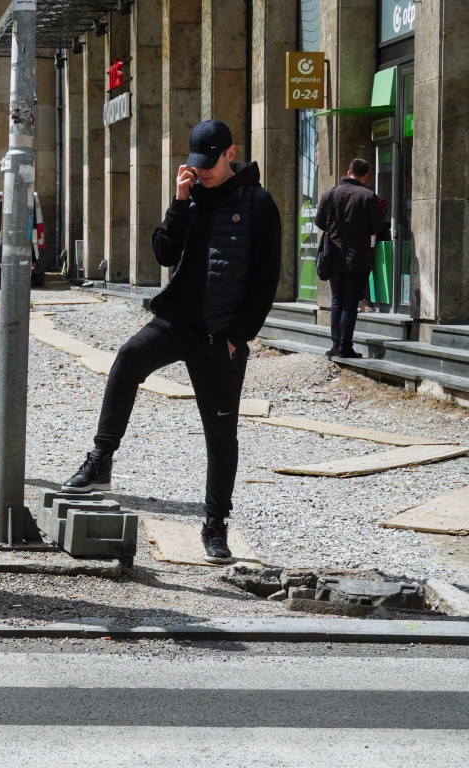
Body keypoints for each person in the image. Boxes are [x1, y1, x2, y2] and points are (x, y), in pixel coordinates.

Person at [60, 119, 281, 564]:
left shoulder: (258, 203)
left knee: (220, 433)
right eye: (196, 165)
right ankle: (101, 458)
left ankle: (215, 526)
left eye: (210, 164)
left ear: (231, 154)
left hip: (221, 335)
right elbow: (163, 252)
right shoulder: (192, 197)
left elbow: (266, 277)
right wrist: (180, 203)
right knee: (127, 358)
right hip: (177, 320)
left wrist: (239, 336)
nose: (203, 172)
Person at [315, 158, 384, 358]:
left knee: (337, 299)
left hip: (333, 257)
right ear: (366, 176)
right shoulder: (368, 196)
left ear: (348, 171)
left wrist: (336, 231)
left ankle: (336, 345)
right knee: (351, 302)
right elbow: (377, 227)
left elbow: (320, 222)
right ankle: (345, 346)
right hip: (357, 258)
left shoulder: (330, 193)